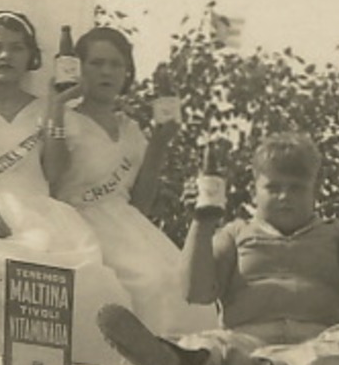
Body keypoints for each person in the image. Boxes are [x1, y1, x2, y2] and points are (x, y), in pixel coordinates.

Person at [97, 131, 339, 365]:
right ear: (256, 188)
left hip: (317, 344)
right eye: (274, 187)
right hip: (245, 343)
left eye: (297, 188)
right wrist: (201, 223)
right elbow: (195, 292)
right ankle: (184, 358)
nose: (284, 197)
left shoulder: (338, 235)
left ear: (314, 190)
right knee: (201, 343)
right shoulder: (235, 233)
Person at [0, 10, 131, 365]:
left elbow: (54, 174)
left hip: (40, 211)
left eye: (16, 48)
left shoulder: (47, 110)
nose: (5, 56)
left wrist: (55, 109)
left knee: (87, 279)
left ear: (31, 57)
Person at [42, 27, 215, 335]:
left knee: (178, 281)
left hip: (127, 225)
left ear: (127, 72)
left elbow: (141, 204)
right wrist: (56, 110)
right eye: (96, 63)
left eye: (116, 64)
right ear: (78, 68)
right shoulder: (65, 120)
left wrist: (160, 144)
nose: (106, 72)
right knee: (148, 282)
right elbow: (51, 178)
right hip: (79, 224)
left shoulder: (131, 129)